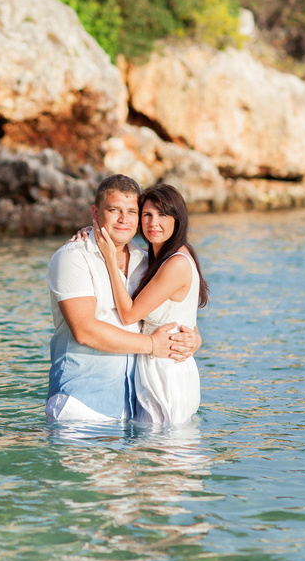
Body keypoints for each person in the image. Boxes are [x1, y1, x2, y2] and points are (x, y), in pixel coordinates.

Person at [46, 175, 201, 423]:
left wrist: (192, 339)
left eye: (131, 211)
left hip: (131, 409)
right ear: (95, 214)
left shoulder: (146, 262)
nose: (123, 220)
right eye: (114, 210)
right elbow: (85, 331)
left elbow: (176, 312)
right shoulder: (73, 257)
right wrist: (153, 345)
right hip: (81, 404)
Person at [94, 183, 209, 424]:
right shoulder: (165, 258)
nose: (153, 222)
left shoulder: (176, 264)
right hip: (161, 368)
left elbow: (128, 315)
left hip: (166, 374)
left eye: (162, 214)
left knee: (165, 454)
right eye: (147, 214)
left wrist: (109, 259)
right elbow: (186, 320)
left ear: (178, 219)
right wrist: (195, 339)